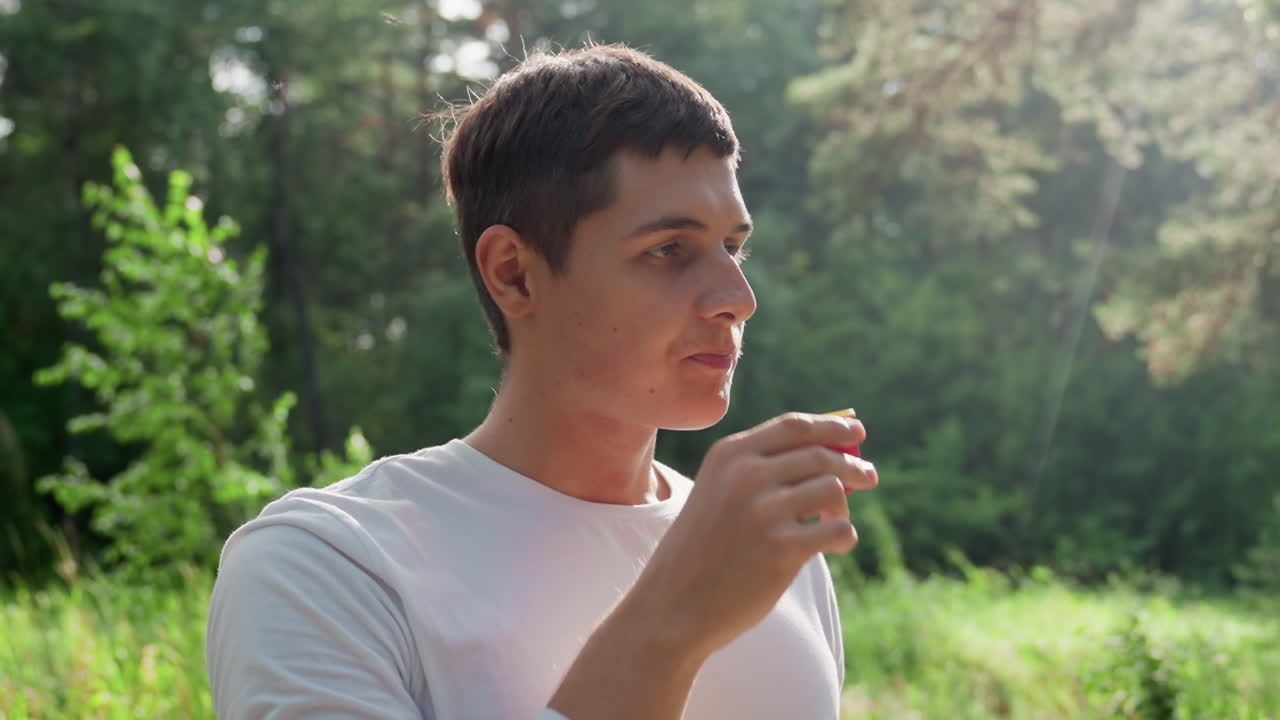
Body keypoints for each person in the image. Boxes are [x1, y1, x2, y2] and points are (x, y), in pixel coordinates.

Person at [205, 43, 878, 720]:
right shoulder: (326, 566)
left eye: (732, 247)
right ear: (513, 274)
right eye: (670, 250)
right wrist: (671, 626)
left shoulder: (764, 546)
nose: (738, 296)